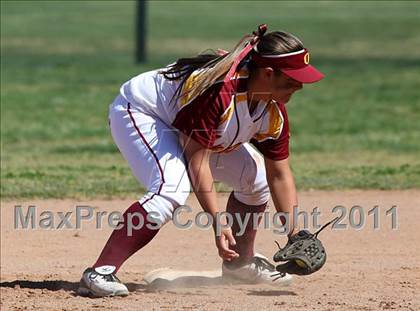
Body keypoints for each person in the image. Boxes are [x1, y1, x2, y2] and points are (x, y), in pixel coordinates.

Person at [77, 24, 324, 297]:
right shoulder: (219, 93)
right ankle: (99, 271)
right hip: (143, 112)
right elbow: (197, 161)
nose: (299, 86)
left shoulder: (272, 109)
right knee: (170, 189)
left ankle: (239, 264)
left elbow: (279, 174)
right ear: (267, 73)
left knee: (256, 180)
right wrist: (219, 222)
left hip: (189, 127)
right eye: (291, 79)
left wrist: (295, 233)